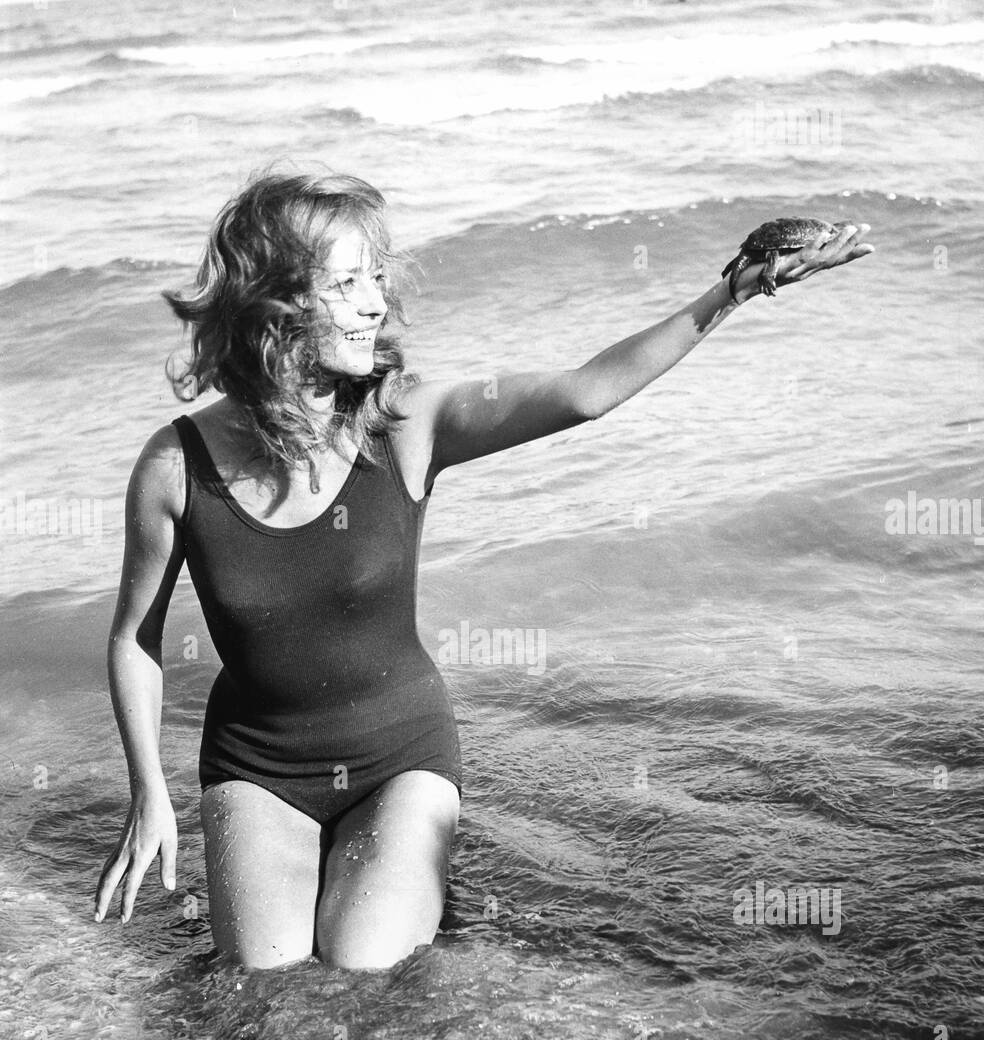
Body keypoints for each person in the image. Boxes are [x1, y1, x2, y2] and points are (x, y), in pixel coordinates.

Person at [93, 169, 873, 971]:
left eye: (378, 279)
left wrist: (731, 292)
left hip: (401, 759)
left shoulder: (405, 425)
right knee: (267, 983)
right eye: (347, 283)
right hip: (256, 769)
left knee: (363, 970)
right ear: (276, 304)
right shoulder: (176, 466)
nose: (374, 303)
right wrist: (149, 789)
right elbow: (135, 639)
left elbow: (585, 393)